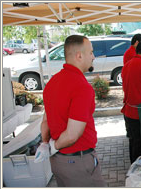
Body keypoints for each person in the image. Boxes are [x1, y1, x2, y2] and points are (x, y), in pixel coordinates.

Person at [34, 35, 106, 187]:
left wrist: (46, 143)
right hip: (78, 163)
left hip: (59, 163)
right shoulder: (82, 87)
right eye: (91, 52)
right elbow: (72, 135)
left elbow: (46, 121)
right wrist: (54, 146)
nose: (93, 57)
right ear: (79, 55)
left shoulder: (52, 82)